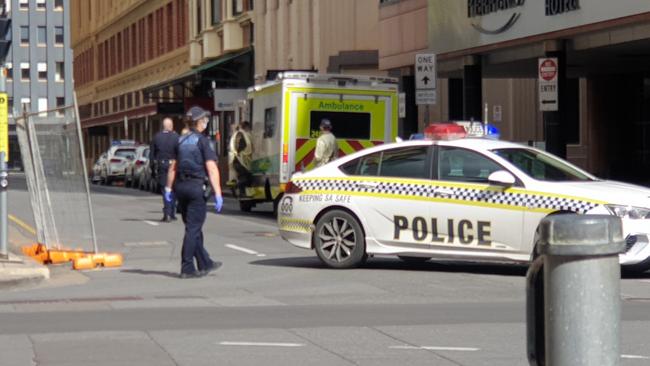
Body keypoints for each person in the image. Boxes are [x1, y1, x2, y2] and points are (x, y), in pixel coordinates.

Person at [165, 106, 223, 279]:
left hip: (181, 187)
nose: (206, 122)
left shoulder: (180, 140)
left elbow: (173, 167)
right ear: (199, 122)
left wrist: (168, 188)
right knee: (193, 228)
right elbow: (212, 169)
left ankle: (205, 262)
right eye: (204, 119)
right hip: (196, 187)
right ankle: (187, 267)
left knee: (193, 226)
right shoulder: (202, 141)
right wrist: (218, 193)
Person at [150, 117, 179, 222]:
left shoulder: (156, 137)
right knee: (173, 189)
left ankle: (167, 212)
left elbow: (151, 155)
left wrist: (152, 170)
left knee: (165, 189)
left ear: (163, 126)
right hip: (174, 165)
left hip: (162, 165)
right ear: (171, 126)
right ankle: (171, 212)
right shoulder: (177, 137)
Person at [231, 121, 253, 197]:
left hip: (239, 160)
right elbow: (239, 147)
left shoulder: (240, 134)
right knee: (245, 177)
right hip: (239, 161)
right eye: (248, 127)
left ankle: (242, 193)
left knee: (244, 177)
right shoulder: (240, 134)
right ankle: (236, 187)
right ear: (246, 127)